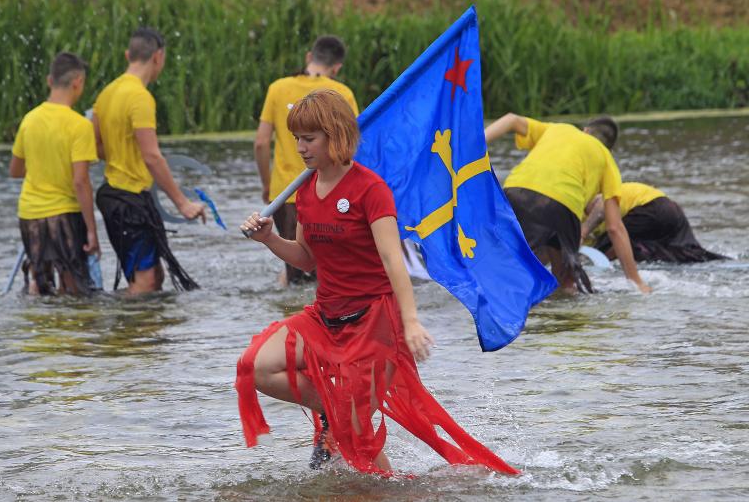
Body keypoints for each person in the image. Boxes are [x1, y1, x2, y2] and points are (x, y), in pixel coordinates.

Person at [236, 90, 518, 476]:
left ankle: (387, 486)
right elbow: (305, 258)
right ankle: (336, 416)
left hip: (374, 324)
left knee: (354, 431)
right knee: (256, 367)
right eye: (297, 138)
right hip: (325, 317)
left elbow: (393, 261)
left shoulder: (370, 189)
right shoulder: (304, 191)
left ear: (335, 136)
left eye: (309, 138)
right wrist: (270, 238)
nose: (300, 148)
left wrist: (412, 321)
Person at [484, 113, 651, 294]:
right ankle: (557, 312)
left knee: (505, 262)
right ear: (609, 149)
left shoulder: (558, 128)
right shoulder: (607, 160)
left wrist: (474, 144)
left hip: (514, 193)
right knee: (567, 284)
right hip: (562, 206)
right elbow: (615, 227)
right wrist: (636, 281)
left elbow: (511, 119)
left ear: (585, 130)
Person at [92, 27, 204, 294]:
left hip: (112, 196)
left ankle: (144, 334)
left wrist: (121, 156)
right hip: (130, 201)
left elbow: (97, 146)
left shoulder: (106, 93)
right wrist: (182, 203)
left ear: (128, 54)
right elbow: (152, 156)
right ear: (158, 57)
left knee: (155, 275)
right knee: (146, 282)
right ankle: (129, 333)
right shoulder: (140, 97)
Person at [254, 35, 359, 285]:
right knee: (325, 268)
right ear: (337, 68)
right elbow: (352, 146)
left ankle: (292, 315)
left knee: (294, 273)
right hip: (329, 192)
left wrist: (268, 186)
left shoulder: (277, 88)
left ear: (309, 57)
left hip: (284, 193)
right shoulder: (342, 93)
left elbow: (260, 143)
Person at [9, 52, 99, 295]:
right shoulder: (79, 126)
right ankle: (68, 332)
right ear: (78, 82)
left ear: (50, 80)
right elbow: (80, 182)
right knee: (73, 288)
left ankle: (43, 331)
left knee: (40, 283)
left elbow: (15, 170)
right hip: (63, 215)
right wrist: (92, 230)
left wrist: (42, 162)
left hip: (29, 214)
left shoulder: (29, 120)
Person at [581, 182, 727, 263]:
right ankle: (724, 262)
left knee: (609, 242)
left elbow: (600, 205)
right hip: (671, 209)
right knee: (687, 254)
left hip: (649, 207)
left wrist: (585, 230)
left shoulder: (589, 201)